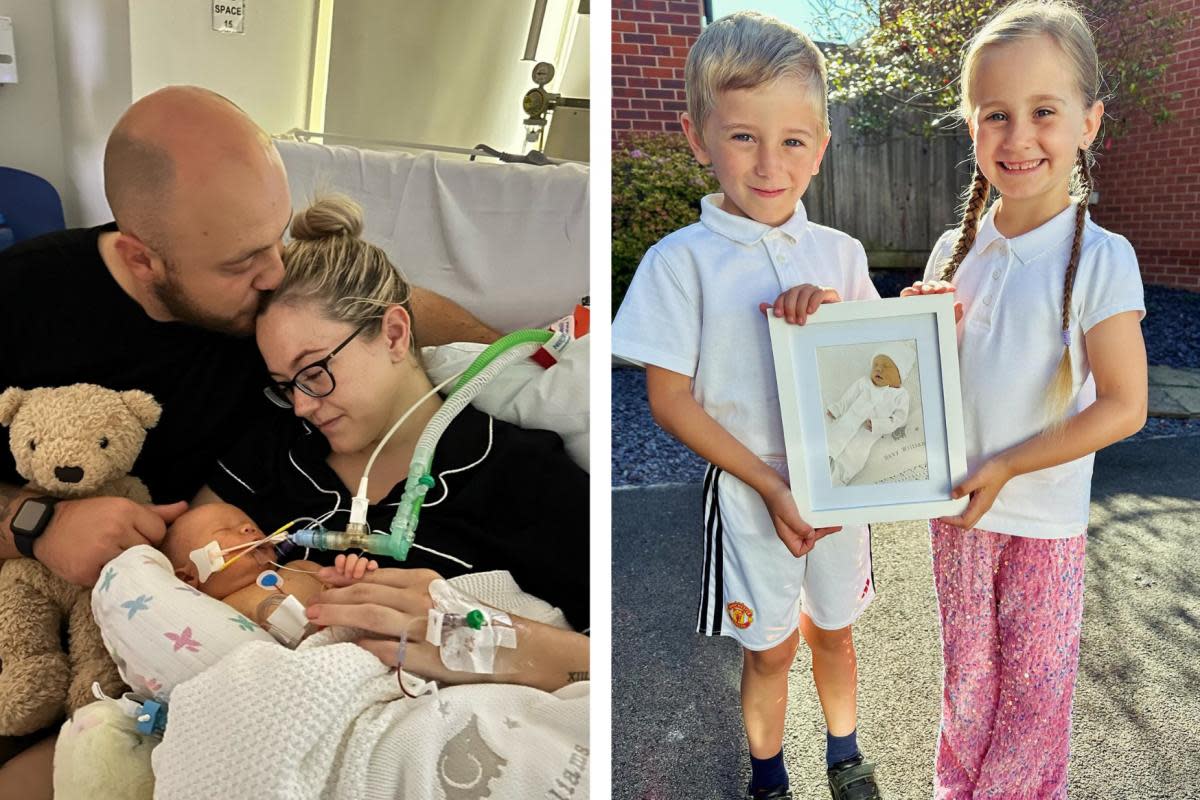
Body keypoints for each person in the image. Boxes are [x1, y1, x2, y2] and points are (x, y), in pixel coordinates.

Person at [0, 86, 498, 794]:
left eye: (277, 237)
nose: (274, 273)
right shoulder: (23, 304)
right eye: (242, 264)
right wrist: (35, 524)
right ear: (144, 260)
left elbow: (395, 307)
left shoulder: (265, 270)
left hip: (213, 618)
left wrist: (533, 351)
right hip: (36, 619)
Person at [612, 12, 883, 800]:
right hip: (748, 494)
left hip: (839, 490)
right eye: (742, 138)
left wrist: (835, 318)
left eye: (794, 140)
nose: (771, 164)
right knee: (769, 650)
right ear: (697, 137)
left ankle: (846, 755)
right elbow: (670, 400)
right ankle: (769, 776)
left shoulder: (841, 255)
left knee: (834, 633)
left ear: (820, 148)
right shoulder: (679, 262)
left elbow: (880, 368)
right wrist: (768, 484)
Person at [901, 2, 1147, 797]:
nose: (1018, 137)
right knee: (967, 690)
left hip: (1043, 526)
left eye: (1044, 111)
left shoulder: (1105, 259)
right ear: (970, 126)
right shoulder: (956, 247)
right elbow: (925, 386)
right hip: (959, 515)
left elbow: (1123, 406)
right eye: (995, 114)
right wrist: (907, 336)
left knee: (1035, 703)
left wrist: (1008, 463)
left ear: (1089, 122)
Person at [197, 193, 589, 635]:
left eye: (314, 370)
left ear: (395, 335)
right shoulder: (275, 453)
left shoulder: (522, 476)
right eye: (286, 385)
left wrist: (484, 635)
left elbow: (600, 657)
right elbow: (182, 576)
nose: (303, 405)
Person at [825, 346, 913, 486]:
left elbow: (898, 420)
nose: (878, 369)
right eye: (876, 365)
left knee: (851, 460)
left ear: (900, 375)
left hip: (865, 437)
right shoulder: (864, 382)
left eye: (886, 366)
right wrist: (837, 408)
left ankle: (838, 481)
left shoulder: (901, 395)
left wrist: (878, 424)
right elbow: (848, 398)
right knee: (830, 445)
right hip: (845, 425)